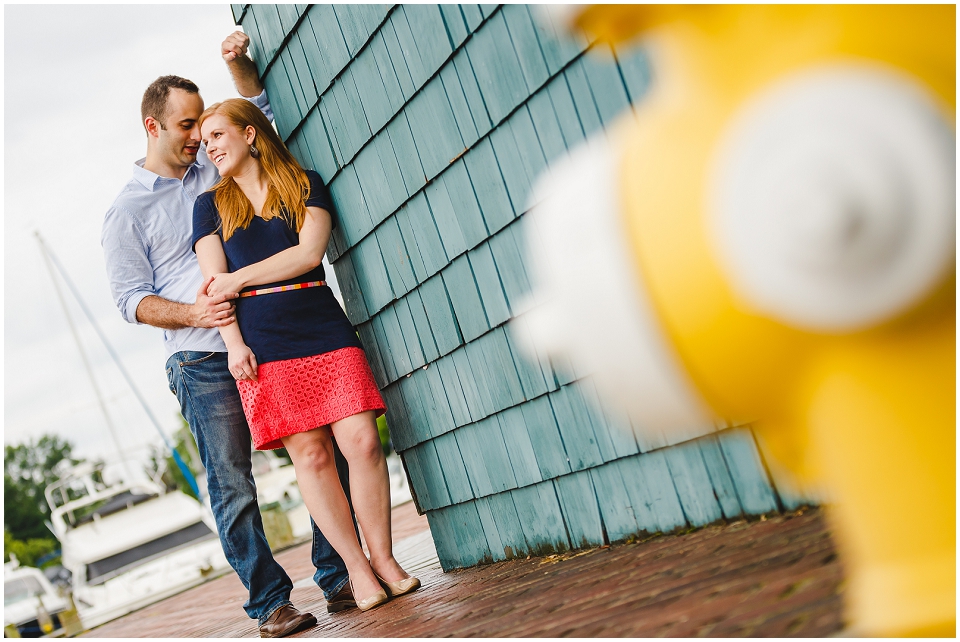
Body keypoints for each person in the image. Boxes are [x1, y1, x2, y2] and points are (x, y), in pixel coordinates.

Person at [101, 32, 356, 637]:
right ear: (152, 125)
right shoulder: (127, 211)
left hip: (269, 339)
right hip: (204, 359)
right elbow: (127, 300)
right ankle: (270, 603)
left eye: (203, 124)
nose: (199, 135)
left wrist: (237, 65)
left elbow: (256, 115)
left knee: (318, 456)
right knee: (233, 484)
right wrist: (195, 315)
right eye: (187, 125)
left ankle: (339, 573)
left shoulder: (221, 159)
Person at [192, 98, 420, 612]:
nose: (209, 147)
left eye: (217, 135)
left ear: (250, 134)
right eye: (205, 141)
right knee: (312, 456)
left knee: (361, 442)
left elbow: (308, 254)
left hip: (322, 326)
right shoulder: (208, 206)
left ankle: (383, 558)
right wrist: (234, 347)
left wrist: (239, 278)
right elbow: (213, 291)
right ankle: (357, 572)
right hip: (264, 344)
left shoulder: (304, 183)